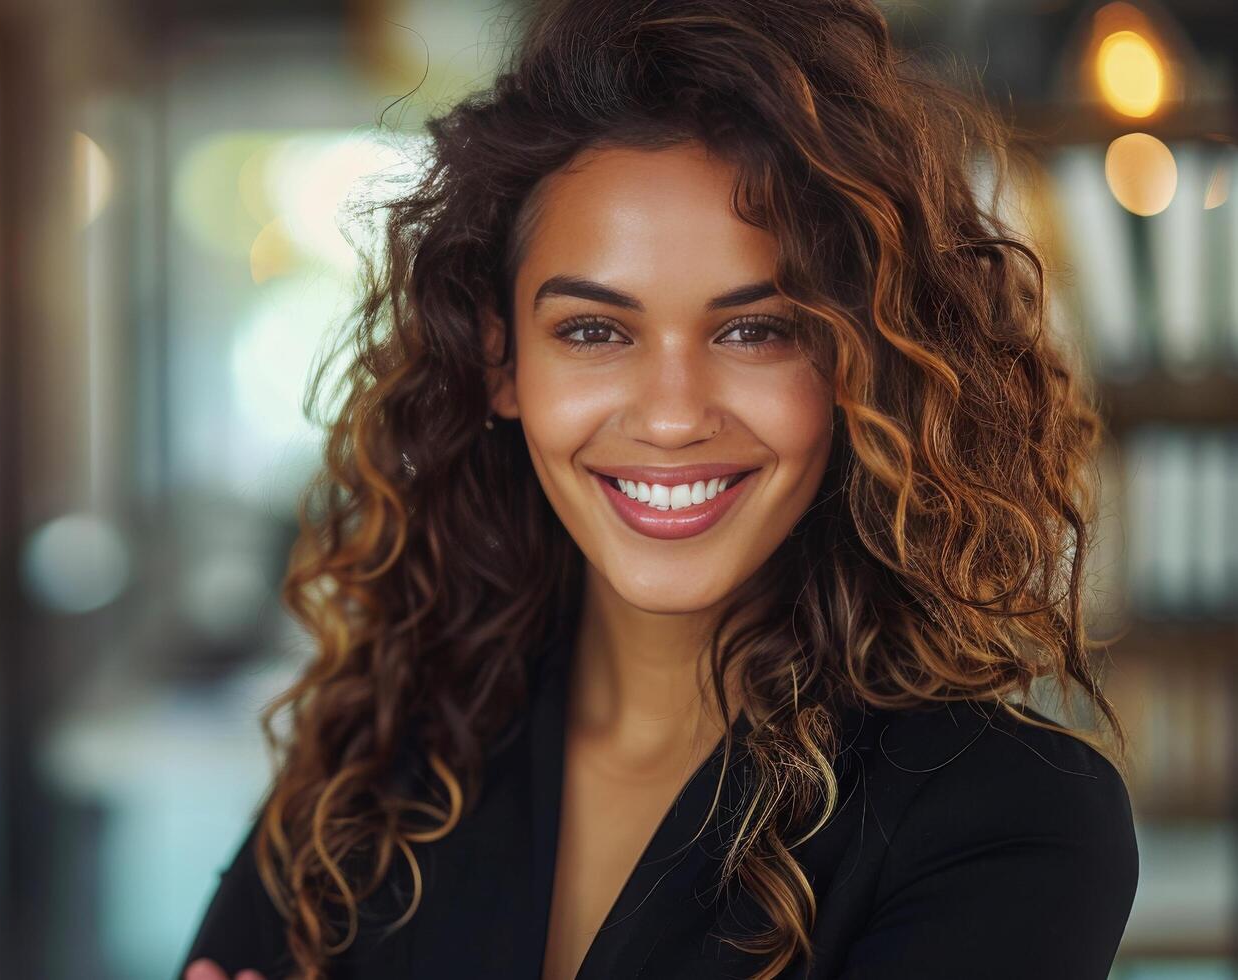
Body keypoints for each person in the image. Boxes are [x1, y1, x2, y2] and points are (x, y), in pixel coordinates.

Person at [180, 0, 1140, 977]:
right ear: (502, 362)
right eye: (594, 330)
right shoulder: (373, 765)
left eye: (755, 329)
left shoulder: (1012, 819)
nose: (673, 414)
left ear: (860, 361)